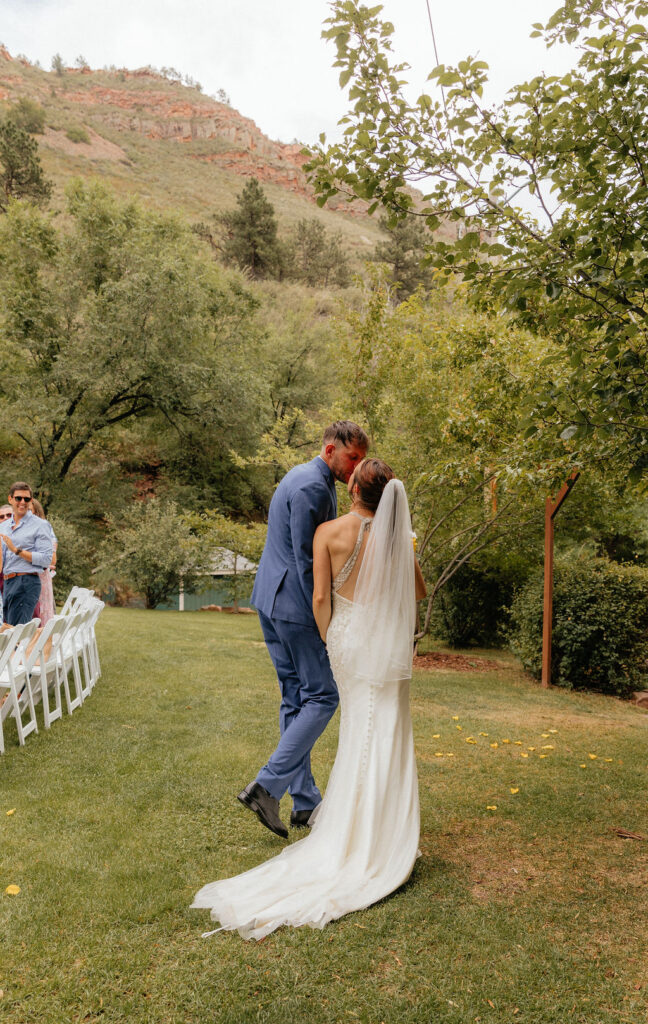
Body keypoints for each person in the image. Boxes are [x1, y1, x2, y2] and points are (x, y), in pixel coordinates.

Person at [192, 458, 427, 940]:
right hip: (385, 646)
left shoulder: (328, 533)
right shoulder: (397, 539)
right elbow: (417, 591)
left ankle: (342, 827)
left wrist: (329, 638)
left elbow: (321, 597)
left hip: (346, 641)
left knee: (356, 729)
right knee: (387, 729)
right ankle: (383, 836)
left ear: (354, 487)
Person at [237, 421, 369, 839]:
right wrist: (325, 617)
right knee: (324, 696)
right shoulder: (313, 487)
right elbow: (306, 561)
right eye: (353, 458)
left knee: (295, 697)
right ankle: (268, 785)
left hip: (270, 601)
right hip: (294, 607)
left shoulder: (300, 474)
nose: (356, 468)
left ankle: (306, 800)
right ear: (330, 450)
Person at [0, 482, 53, 626]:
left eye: (26, 499)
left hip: (27, 582)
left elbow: (46, 559)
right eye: (18, 498)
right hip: (7, 582)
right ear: (10, 499)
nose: (22, 502)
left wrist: (17, 551)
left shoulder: (40, 525)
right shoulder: (3, 527)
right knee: (8, 629)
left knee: (18, 632)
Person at [29, 498, 58, 626]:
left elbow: (52, 559)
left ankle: (42, 642)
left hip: (39, 576)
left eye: (29, 510)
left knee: (42, 612)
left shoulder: (44, 528)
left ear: (37, 513)